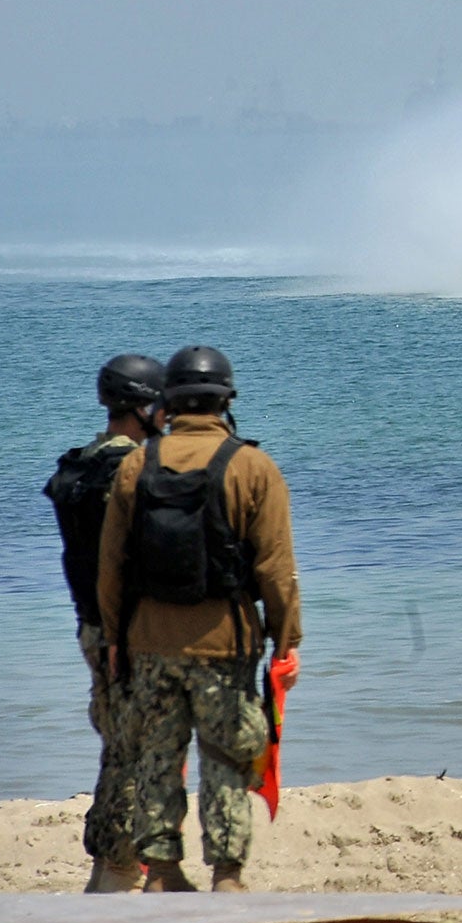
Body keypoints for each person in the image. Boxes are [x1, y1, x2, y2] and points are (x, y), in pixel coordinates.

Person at [97, 345, 302, 893]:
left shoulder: (137, 464)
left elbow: (111, 568)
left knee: (157, 759)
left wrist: (115, 638)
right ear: (225, 400)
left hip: (148, 642)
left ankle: (162, 871)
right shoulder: (253, 467)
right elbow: (276, 569)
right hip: (225, 644)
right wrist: (286, 641)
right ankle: (227, 875)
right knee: (226, 758)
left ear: (169, 401)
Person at [44, 354, 165, 893]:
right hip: (128, 634)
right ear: (143, 408)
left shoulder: (78, 466)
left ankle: (108, 868)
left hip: (91, 627)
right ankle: (118, 870)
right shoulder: (132, 471)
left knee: (119, 746)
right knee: (138, 750)